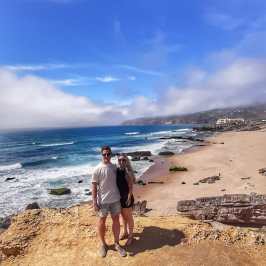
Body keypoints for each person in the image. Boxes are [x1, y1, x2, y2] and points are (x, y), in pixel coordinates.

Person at [91, 145, 126, 258]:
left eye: (108, 154)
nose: (106, 156)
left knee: (116, 221)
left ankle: (116, 243)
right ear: (101, 155)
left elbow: (123, 176)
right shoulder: (97, 169)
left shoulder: (114, 167)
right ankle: (103, 245)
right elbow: (94, 187)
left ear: (111, 155)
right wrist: (94, 202)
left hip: (115, 199)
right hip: (103, 201)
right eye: (104, 154)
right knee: (102, 221)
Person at [116, 154, 135, 246]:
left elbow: (131, 187)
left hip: (127, 198)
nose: (121, 162)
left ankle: (131, 236)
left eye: (123, 160)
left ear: (126, 161)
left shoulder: (128, 172)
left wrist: (128, 198)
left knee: (129, 217)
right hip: (119, 198)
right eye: (120, 160)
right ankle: (125, 232)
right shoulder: (117, 170)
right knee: (123, 217)